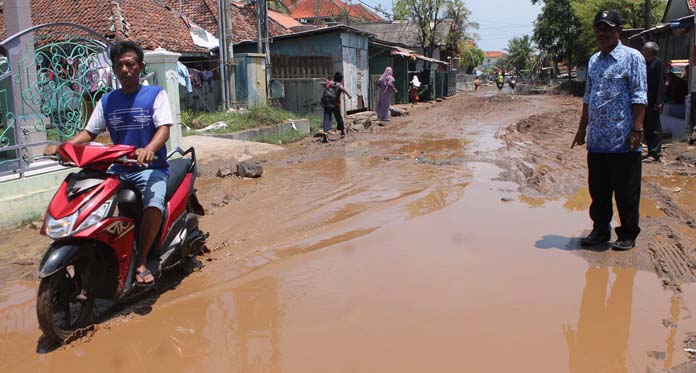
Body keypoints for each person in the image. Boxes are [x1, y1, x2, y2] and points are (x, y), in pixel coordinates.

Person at [44, 40, 173, 285]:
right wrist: (65, 147)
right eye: (119, 65)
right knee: (91, 201)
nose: (125, 70)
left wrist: (149, 149)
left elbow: (164, 129)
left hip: (150, 168)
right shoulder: (107, 100)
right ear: (113, 69)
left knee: (154, 204)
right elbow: (89, 133)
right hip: (117, 169)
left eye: (130, 64)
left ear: (140, 66)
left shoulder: (155, 94)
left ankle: (143, 259)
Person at [572, 10, 647, 251]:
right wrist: (582, 128)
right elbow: (587, 98)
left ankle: (627, 234)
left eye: (607, 28)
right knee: (599, 191)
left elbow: (639, 95)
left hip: (623, 140)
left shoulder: (632, 58)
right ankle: (600, 230)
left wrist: (637, 129)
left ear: (619, 30)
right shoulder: (594, 60)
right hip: (597, 141)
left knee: (626, 192)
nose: (602, 32)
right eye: (599, 28)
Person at [642, 42, 665, 162]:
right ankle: (650, 150)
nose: (643, 50)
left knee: (654, 126)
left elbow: (660, 83)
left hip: (654, 100)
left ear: (651, 50)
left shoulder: (658, 63)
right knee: (646, 125)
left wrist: (659, 101)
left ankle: (655, 153)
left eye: (645, 49)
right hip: (645, 100)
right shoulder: (644, 63)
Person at [320, 71, 352, 142]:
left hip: (326, 102)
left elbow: (321, 84)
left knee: (327, 117)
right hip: (334, 103)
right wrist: (349, 95)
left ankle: (325, 132)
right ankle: (342, 132)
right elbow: (342, 89)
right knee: (338, 117)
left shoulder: (329, 83)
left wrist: (327, 81)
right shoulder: (339, 84)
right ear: (340, 79)